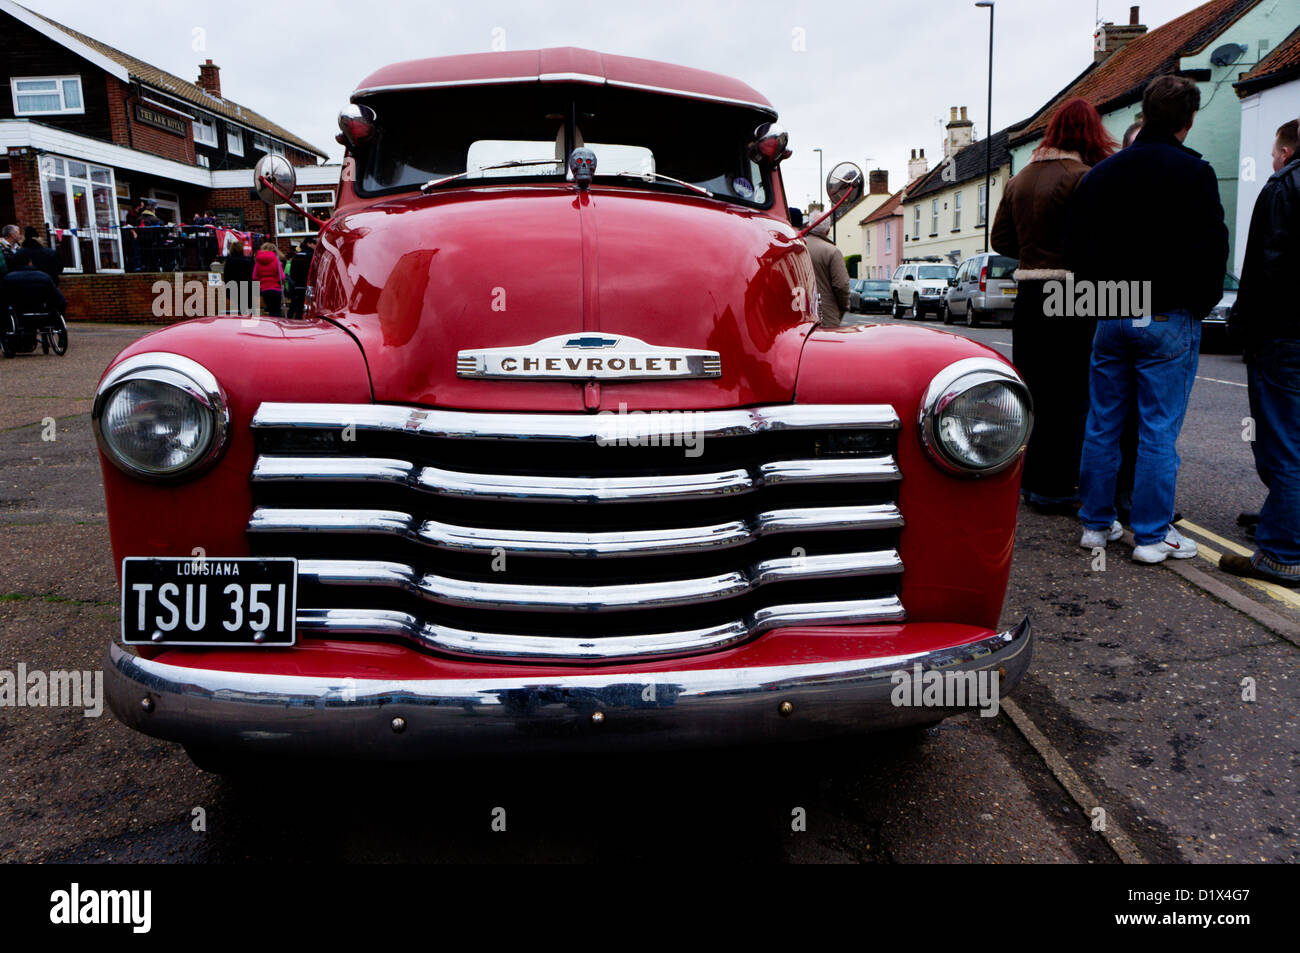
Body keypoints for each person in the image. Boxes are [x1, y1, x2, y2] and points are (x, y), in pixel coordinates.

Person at [1068, 75, 1229, 564]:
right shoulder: (1194, 173)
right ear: (1189, 119)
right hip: (1167, 312)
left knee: (1102, 423)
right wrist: (1197, 304)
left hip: (1112, 310)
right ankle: (1153, 537)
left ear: (1145, 112)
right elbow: (1213, 249)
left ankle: (1096, 527)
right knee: (1158, 429)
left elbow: (1076, 249)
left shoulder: (1101, 175)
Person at [991, 97, 1115, 513]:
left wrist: (1031, 253)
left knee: (1033, 389)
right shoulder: (1085, 176)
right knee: (1070, 391)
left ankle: (1028, 481)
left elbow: (1001, 242)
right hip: (1071, 291)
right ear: (1090, 133)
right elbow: (1095, 241)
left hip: (1028, 293)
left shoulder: (1019, 179)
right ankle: (1057, 486)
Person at [1219, 120, 1300, 586]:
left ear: (1286, 152)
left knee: (1284, 442)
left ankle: (1282, 553)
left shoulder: (1283, 186)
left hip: (1286, 335)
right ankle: (1282, 519)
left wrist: (1242, 327)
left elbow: (1262, 268)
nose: (1271, 161)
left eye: (1274, 153)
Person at [807, 217, 850, 326]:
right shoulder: (832, 251)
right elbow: (841, 285)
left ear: (809, 226)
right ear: (828, 230)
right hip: (825, 314)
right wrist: (844, 306)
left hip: (798, 312)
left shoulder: (795, 247)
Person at [251, 241, 285, 317]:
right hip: (276, 289)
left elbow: (254, 277)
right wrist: (281, 284)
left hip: (264, 289)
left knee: (270, 311)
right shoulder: (276, 260)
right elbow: (282, 276)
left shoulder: (258, 261)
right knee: (277, 311)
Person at [286, 236, 315, 320]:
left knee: (295, 304)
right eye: (314, 244)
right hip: (307, 284)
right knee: (304, 305)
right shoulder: (312, 255)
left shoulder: (296, 255)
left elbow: (292, 271)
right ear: (309, 244)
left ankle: (290, 319)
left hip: (296, 284)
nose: (315, 246)